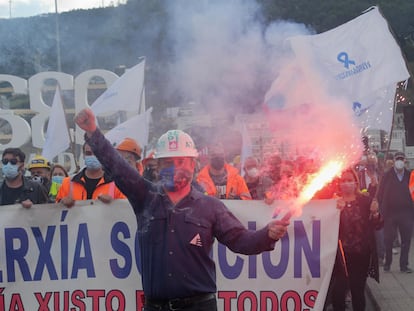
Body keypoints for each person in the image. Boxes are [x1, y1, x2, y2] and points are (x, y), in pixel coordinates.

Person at [75, 108, 290, 311]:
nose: (176, 167)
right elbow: (118, 166)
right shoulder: (145, 197)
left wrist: (267, 234)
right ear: (157, 167)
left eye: (181, 161)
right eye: (168, 162)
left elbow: (242, 241)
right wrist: (93, 132)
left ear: (192, 165)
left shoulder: (210, 207)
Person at [328, 168, 383, 311]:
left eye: (349, 180)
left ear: (355, 182)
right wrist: (333, 211)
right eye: (343, 181)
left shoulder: (365, 200)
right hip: (340, 257)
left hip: (361, 255)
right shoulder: (333, 202)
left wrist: (375, 213)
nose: (346, 183)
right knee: (338, 293)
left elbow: (377, 225)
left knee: (358, 292)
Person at [55, 141, 126, 207]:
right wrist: (62, 203)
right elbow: (54, 213)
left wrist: (113, 203)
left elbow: (126, 211)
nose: (92, 156)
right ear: (83, 155)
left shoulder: (117, 185)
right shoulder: (67, 183)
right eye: (88, 153)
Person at [377, 151, 414, 273]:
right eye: (397, 159)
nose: (399, 161)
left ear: (404, 161)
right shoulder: (387, 175)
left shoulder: (410, 175)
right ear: (393, 161)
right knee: (388, 239)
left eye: (401, 159)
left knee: (406, 240)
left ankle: (404, 265)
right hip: (390, 213)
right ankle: (388, 263)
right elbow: (380, 193)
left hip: (406, 213)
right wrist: (381, 208)